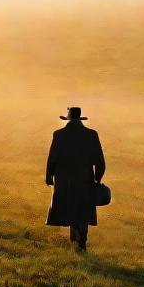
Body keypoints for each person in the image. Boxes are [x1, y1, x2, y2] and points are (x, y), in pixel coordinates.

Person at [45, 106, 106, 250]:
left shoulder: (59, 134)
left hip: (64, 179)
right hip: (85, 179)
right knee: (83, 210)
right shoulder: (92, 135)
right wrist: (97, 178)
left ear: (68, 119)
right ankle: (82, 239)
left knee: (69, 208)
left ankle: (75, 241)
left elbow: (52, 158)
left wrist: (49, 176)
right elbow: (100, 161)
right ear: (80, 119)